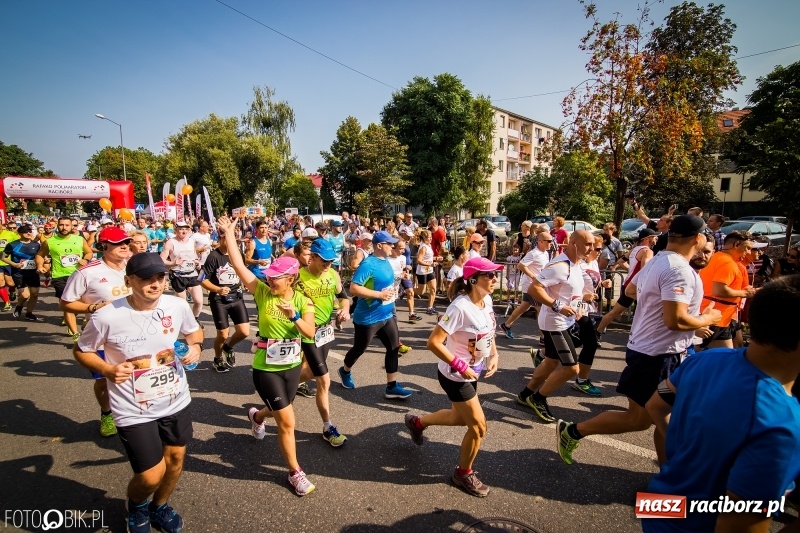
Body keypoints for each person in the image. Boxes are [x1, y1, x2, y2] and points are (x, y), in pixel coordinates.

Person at [555, 216, 722, 465]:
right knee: (643, 418)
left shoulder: (656, 261)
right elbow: (674, 321)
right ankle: (574, 431)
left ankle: (669, 471)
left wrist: (676, 320)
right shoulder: (679, 270)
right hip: (659, 355)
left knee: (651, 417)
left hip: (655, 349)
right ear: (698, 238)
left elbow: (631, 291)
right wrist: (704, 318)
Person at [643, 275, 800, 533]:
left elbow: (655, 406)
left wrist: (690, 455)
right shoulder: (781, 424)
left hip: (658, 504)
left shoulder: (704, 359)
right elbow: (737, 526)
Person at [73, 252, 202, 533]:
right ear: (129, 280)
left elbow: (194, 333)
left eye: (160, 277)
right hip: (133, 408)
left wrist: (195, 348)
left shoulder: (177, 306)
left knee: (176, 459)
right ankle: (137, 505)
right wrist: (107, 370)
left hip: (176, 399)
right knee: (151, 473)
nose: (155, 284)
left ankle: (160, 506)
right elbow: (82, 351)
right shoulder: (106, 316)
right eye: (146, 279)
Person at [216, 216, 318, 496]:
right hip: (266, 368)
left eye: (276, 277)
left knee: (277, 410)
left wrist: (294, 316)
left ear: (292, 278)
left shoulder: (302, 300)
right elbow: (239, 266)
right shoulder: (262, 292)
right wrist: (230, 233)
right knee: (287, 421)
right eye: (269, 276)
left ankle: (257, 417)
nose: (270, 279)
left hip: (292, 366)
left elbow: (308, 331)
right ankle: (295, 473)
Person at [404, 257, 502, 498]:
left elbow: (489, 331)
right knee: (478, 427)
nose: (495, 279)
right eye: (489, 275)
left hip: (474, 371)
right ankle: (463, 472)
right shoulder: (460, 307)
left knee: (459, 418)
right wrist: (460, 365)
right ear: (473, 279)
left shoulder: (486, 300)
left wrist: (494, 354)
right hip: (455, 375)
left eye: (494, 275)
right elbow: (433, 342)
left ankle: (418, 423)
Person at [60, 226, 135, 438]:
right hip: (102, 337)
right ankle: (107, 413)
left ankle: (136, 414)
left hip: (134, 333)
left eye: (126, 242)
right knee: (104, 381)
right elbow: (66, 304)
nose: (124, 246)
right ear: (104, 246)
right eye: (118, 243)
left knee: (137, 375)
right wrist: (92, 307)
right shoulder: (86, 272)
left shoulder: (133, 267)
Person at [514, 231, 595, 423]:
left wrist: (581, 303)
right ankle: (538, 398)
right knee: (571, 369)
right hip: (554, 323)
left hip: (566, 321)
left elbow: (568, 292)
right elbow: (535, 288)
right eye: (588, 244)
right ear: (574, 243)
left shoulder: (576, 265)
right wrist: (556, 305)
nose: (592, 249)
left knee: (550, 362)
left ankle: (526, 395)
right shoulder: (560, 265)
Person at [338, 231, 414, 399]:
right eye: (390, 244)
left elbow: (385, 280)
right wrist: (379, 295)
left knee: (393, 348)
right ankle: (344, 370)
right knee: (359, 349)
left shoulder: (385, 260)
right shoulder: (368, 264)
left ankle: (391, 386)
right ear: (379, 246)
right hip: (368, 317)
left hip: (386, 315)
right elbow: (354, 288)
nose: (393, 246)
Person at [293, 238, 352, 445]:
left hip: (325, 331)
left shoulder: (333, 274)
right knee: (323, 380)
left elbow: (343, 296)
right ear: (313, 257)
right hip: (306, 332)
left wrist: (344, 310)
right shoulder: (297, 277)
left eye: (331, 260)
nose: (328, 264)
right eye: (325, 260)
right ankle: (328, 427)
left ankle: (285, 385)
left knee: (309, 372)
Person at [36, 216, 94, 340]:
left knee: (81, 301)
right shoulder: (50, 241)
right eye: (61, 225)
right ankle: (75, 333)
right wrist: (40, 265)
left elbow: (89, 252)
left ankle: (71, 320)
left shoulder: (79, 239)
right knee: (68, 304)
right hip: (60, 276)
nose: (64, 228)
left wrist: (85, 259)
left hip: (79, 274)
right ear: (57, 225)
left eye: (67, 225)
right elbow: (40, 254)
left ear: (72, 226)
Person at [200, 227, 249, 373]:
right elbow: (201, 279)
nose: (228, 241)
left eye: (231, 239)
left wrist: (244, 283)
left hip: (237, 297)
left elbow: (243, 272)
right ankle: (217, 358)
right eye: (225, 238)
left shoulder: (238, 254)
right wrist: (218, 289)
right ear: (220, 239)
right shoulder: (213, 256)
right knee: (223, 334)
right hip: (219, 300)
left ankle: (228, 347)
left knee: (244, 332)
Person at [595, 228, 658, 337]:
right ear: (648, 238)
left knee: (617, 312)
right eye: (655, 237)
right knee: (648, 312)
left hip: (628, 283)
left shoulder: (634, 249)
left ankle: (597, 332)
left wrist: (631, 271)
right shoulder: (648, 251)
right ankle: (641, 337)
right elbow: (646, 269)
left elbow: (620, 261)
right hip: (637, 286)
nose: (656, 239)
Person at [698, 231, 756, 350]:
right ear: (737, 244)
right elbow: (719, 290)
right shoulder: (727, 262)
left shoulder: (718, 257)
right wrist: (745, 293)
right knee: (697, 353)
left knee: (726, 355)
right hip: (714, 316)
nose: (749, 252)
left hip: (719, 316)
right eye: (747, 248)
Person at [499, 231, 553, 339]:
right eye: (549, 241)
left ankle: (506, 325)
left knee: (524, 307)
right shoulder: (533, 253)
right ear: (541, 241)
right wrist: (533, 277)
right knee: (540, 309)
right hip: (531, 286)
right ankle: (543, 337)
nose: (551, 243)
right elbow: (521, 265)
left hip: (537, 285)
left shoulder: (545, 253)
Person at [160, 221, 203, 323]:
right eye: (181, 229)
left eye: (186, 229)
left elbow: (193, 255)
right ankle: (183, 322)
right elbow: (161, 260)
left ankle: (194, 319)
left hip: (192, 274)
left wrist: (197, 262)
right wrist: (173, 263)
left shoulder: (191, 241)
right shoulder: (170, 243)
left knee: (199, 301)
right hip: (178, 275)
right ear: (176, 230)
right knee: (183, 304)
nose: (183, 231)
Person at [2, 224, 41, 320]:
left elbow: (40, 257)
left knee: (35, 293)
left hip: (33, 272)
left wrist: (45, 262)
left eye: (30, 231)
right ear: (20, 233)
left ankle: (29, 313)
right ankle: (19, 306)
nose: (28, 233)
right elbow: (3, 257)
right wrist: (14, 264)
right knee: (25, 295)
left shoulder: (36, 245)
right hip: (19, 272)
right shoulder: (12, 245)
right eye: (25, 231)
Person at [415, 229, 440, 315]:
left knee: (433, 289)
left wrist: (436, 258)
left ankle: (430, 308)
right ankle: (407, 291)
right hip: (422, 271)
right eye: (428, 238)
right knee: (421, 291)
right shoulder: (423, 247)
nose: (430, 239)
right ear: (423, 238)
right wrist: (430, 265)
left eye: (431, 237)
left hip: (430, 271)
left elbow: (428, 258)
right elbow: (419, 260)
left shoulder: (428, 245)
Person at [0, 219, 21, 310]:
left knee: (11, 283)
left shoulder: (9, 234)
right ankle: (7, 303)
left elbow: (19, 244)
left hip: (9, 262)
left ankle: (12, 291)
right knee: (0, 282)